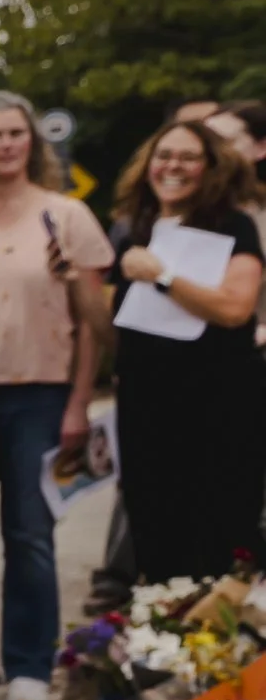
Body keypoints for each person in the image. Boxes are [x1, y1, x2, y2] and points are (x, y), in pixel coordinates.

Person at [0, 90, 113, 700]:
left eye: (16, 132)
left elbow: (98, 327)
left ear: (33, 140)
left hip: (43, 397)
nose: (6, 144)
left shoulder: (66, 216)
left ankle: (28, 668)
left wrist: (79, 404)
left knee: (30, 534)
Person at [108, 120, 266, 578]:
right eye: (164, 155)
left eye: (188, 157)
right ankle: (163, 634)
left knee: (221, 531)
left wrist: (162, 276)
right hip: (145, 404)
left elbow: (236, 309)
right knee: (154, 530)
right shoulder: (134, 228)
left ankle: (224, 644)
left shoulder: (233, 226)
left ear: (210, 167)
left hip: (219, 407)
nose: (172, 167)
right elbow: (114, 326)